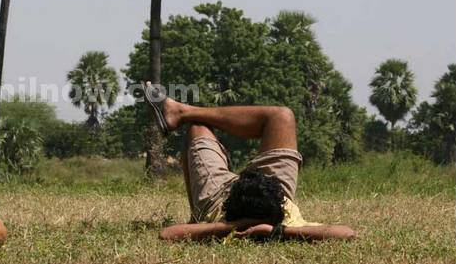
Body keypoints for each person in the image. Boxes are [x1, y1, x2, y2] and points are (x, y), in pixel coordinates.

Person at [142, 82, 356, 242]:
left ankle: (184, 112)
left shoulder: (223, 220)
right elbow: (347, 233)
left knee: (198, 126)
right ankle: (181, 111)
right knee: (281, 116)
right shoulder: (287, 219)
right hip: (271, 189)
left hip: (219, 197)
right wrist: (278, 230)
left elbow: (168, 235)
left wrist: (231, 225)